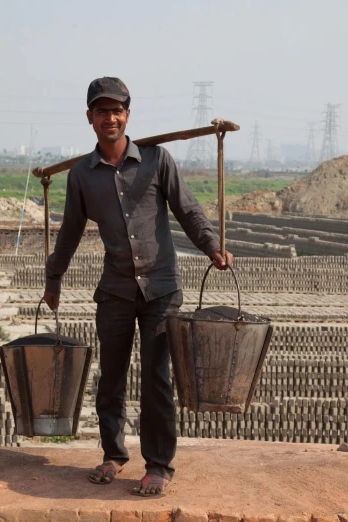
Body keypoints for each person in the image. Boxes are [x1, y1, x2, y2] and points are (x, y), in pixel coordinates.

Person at [43, 77, 232, 497]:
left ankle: (159, 465)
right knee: (111, 377)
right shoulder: (82, 176)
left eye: (117, 110)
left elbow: (188, 210)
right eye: (101, 110)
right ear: (89, 118)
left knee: (157, 379)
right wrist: (53, 278)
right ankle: (113, 455)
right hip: (114, 291)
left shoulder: (156, 161)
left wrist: (213, 247)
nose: (110, 117)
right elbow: (70, 232)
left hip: (161, 289)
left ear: (127, 114)